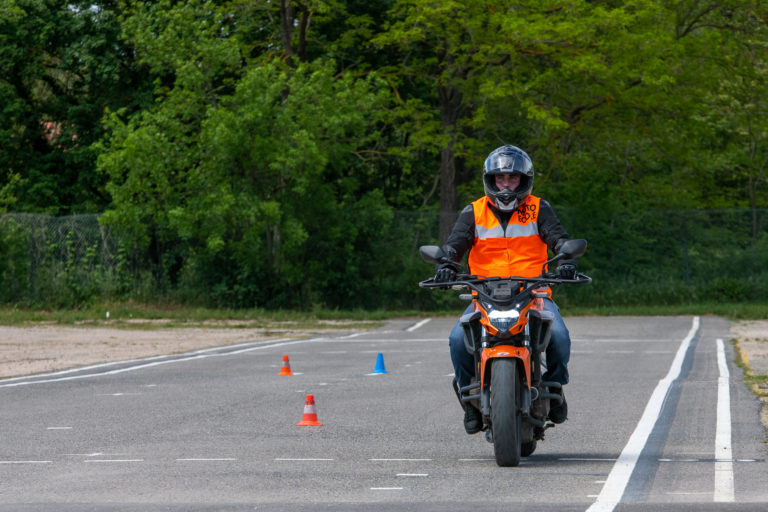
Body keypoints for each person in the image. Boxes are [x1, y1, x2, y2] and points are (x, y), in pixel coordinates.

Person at [434, 144, 580, 434]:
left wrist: (566, 258)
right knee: (455, 340)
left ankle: (554, 385)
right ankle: (469, 399)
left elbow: (559, 239)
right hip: (485, 294)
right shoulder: (474, 211)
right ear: (490, 180)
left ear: (524, 180)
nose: (506, 184)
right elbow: (455, 244)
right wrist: (446, 264)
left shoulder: (539, 208)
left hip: (533, 293)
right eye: (500, 178)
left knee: (560, 336)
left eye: (512, 178)